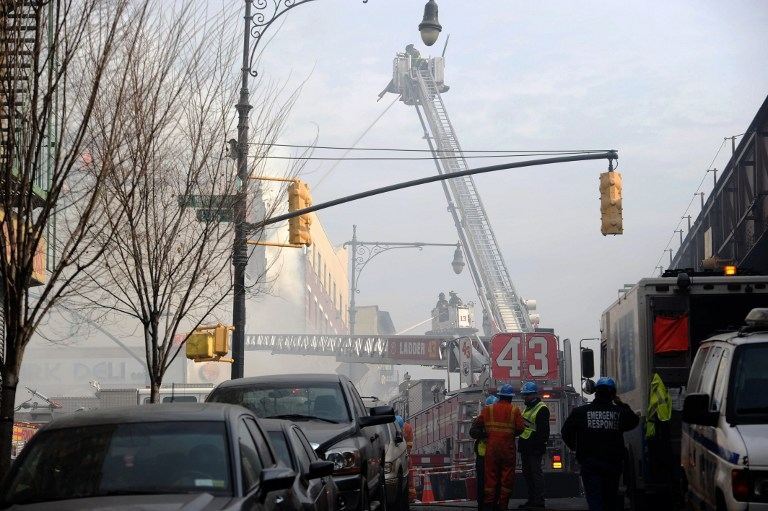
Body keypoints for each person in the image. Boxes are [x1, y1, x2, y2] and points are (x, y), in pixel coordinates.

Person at [561, 377, 639, 511]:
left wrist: (575, 448)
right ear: (613, 394)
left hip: (590, 464)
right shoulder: (619, 412)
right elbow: (633, 421)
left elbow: (566, 432)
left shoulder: (581, 412)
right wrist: (621, 404)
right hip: (612, 465)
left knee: (595, 500)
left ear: (595, 392)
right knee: (610, 500)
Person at [475, 384, 525, 511]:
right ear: (511, 398)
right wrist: (509, 434)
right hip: (508, 449)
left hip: (491, 449)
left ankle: (488, 504)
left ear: (500, 396)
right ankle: (503, 505)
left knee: (490, 477)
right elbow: (520, 428)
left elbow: (477, 423)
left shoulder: (488, 410)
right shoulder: (515, 410)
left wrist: (488, 432)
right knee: (506, 478)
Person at [517, 382, 549, 510]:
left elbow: (543, 431)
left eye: (526, 395)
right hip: (526, 447)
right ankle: (531, 499)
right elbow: (528, 427)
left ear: (534, 395)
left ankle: (539, 500)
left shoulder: (541, 408)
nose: (524, 398)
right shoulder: (528, 408)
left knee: (535, 474)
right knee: (528, 474)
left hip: (534, 448)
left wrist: (539, 446)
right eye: (523, 395)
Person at [470, 395, 499, 511]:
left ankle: (493, 504)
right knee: (482, 483)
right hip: (483, 457)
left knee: (496, 483)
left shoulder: (500, 420)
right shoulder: (480, 419)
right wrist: (485, 433)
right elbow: (472, 432)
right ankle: (482, 505)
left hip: (496, 456)